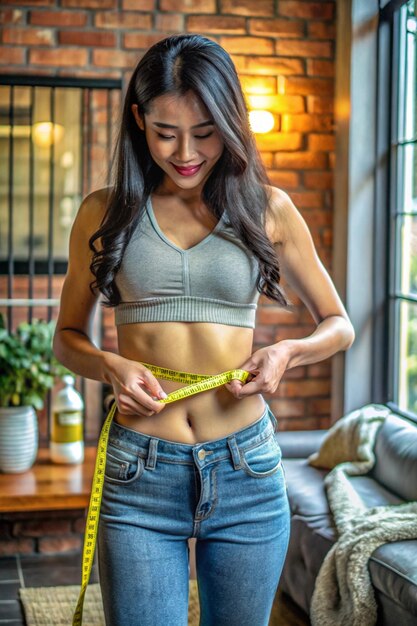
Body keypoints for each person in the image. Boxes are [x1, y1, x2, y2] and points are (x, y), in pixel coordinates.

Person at [53, 33, 355, 626]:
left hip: (249, 469)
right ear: (138, 120)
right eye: (165, 132)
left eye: (205, 132)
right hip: (140, 471)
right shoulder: (104, 211)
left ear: (230, 121)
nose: (185, 152)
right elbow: (67, 337)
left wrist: (288, 352)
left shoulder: (268, 208)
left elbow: (339, 324)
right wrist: (108, 364)